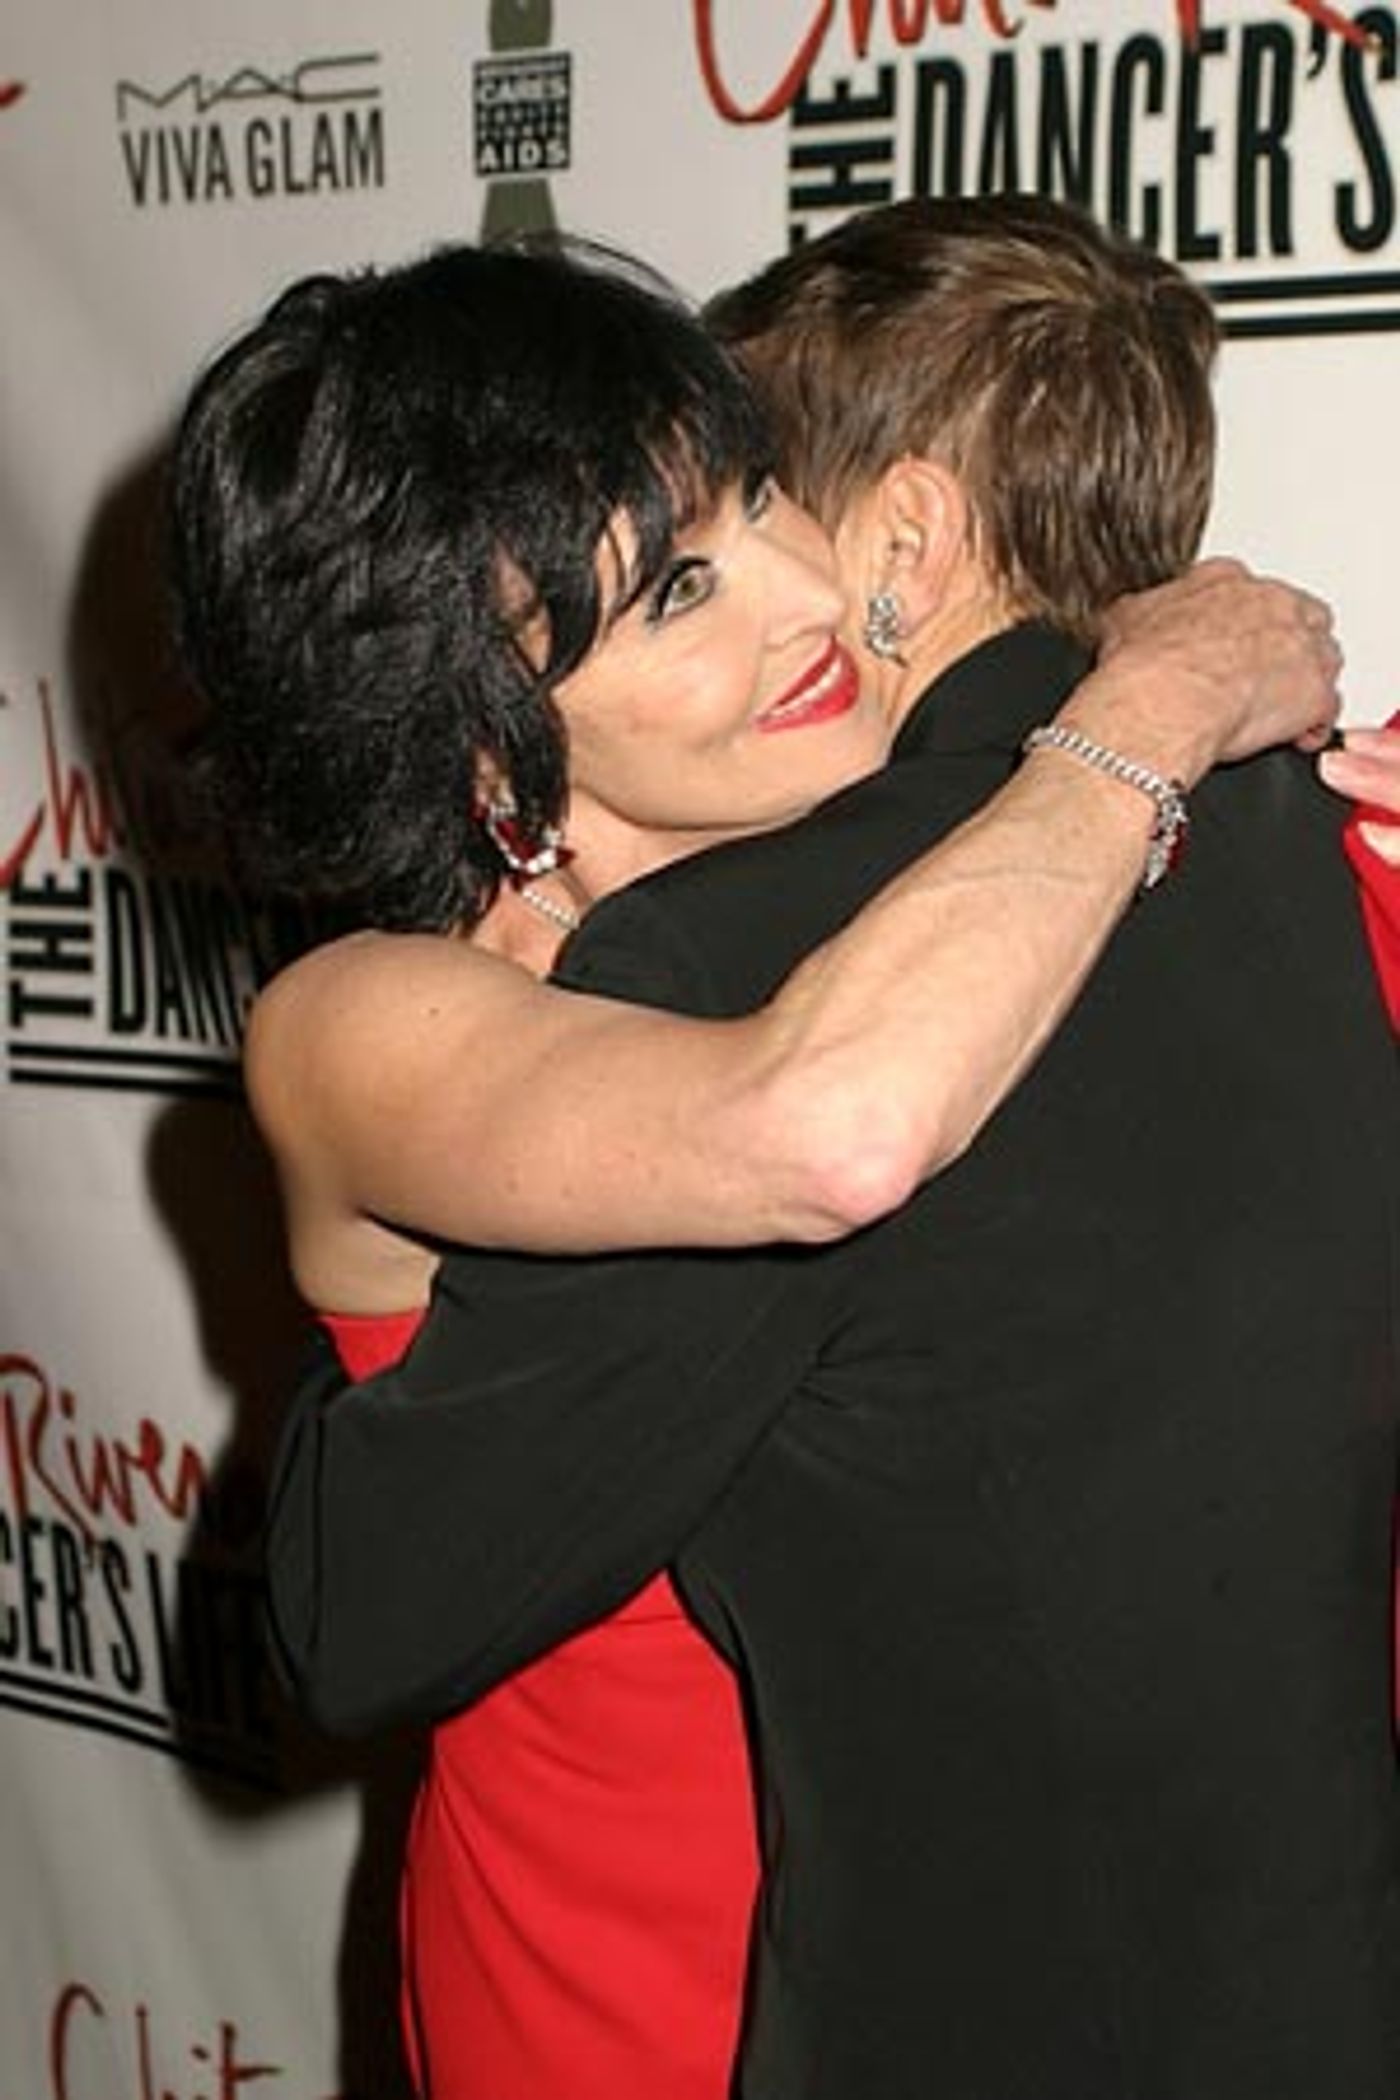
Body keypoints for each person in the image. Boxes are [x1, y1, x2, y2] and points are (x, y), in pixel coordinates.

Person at [262, 197, 1400, 2100]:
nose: (795, 601)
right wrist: (1162, 696)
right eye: (676, 593)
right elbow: (830, 1124)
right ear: (493, 748)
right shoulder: (454, 1008)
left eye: (755, 506)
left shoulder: (854, 919)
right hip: (615, 1967)